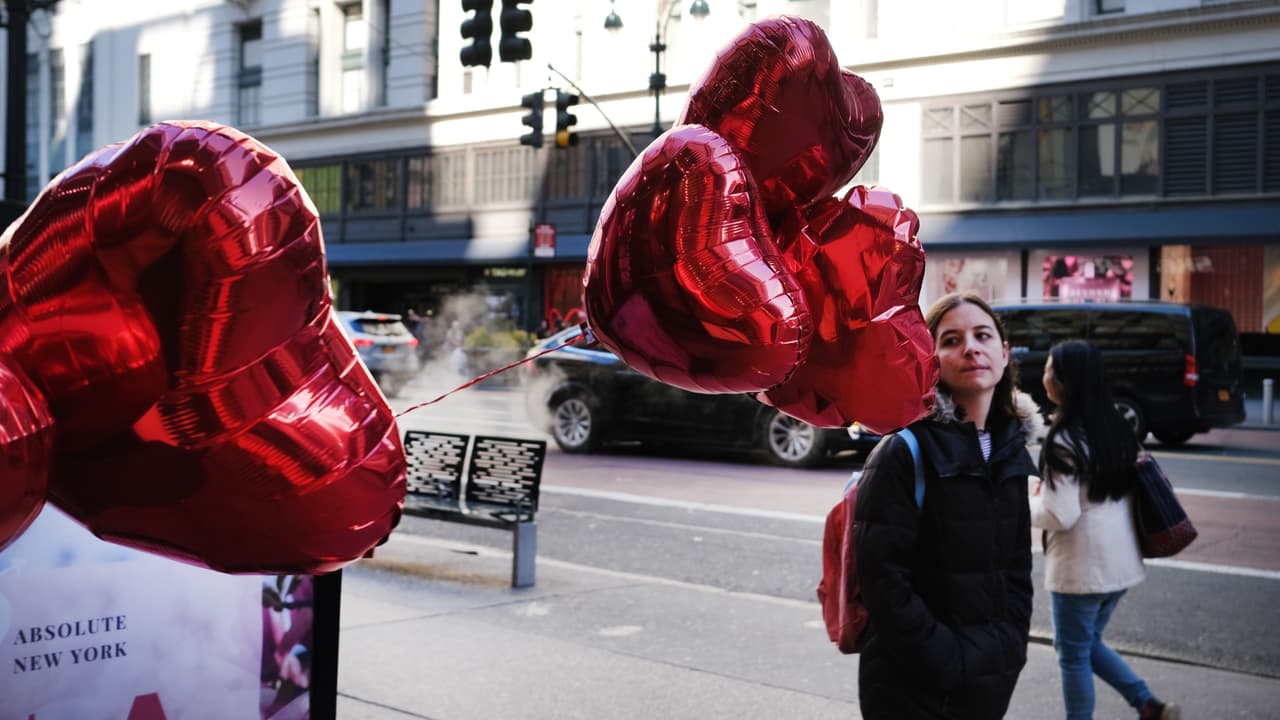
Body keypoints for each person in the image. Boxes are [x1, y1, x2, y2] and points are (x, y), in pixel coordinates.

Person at [854, 291, 1041, 720]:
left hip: (990, 679)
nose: (971, 347)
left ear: (1004, 351)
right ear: (930, 357)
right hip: (912, 684)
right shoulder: (904, 450)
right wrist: (946, 659)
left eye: (982, 335)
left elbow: (1015, 570)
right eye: (952, 339)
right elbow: (882, 578)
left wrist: (1010, 646)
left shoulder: (1011, 451)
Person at [1030, 340, 1181, 720]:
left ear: (1064, 382)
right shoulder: (1115, 425)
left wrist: (1023, 504)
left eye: (1049, 369)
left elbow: (1060, 515)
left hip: (1083, 570)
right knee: (1087, 643)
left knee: (1073, 654)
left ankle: (1130, 708)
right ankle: (1148, 705)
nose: (1044, 375)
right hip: (1122, 563)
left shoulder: (1064, 439)